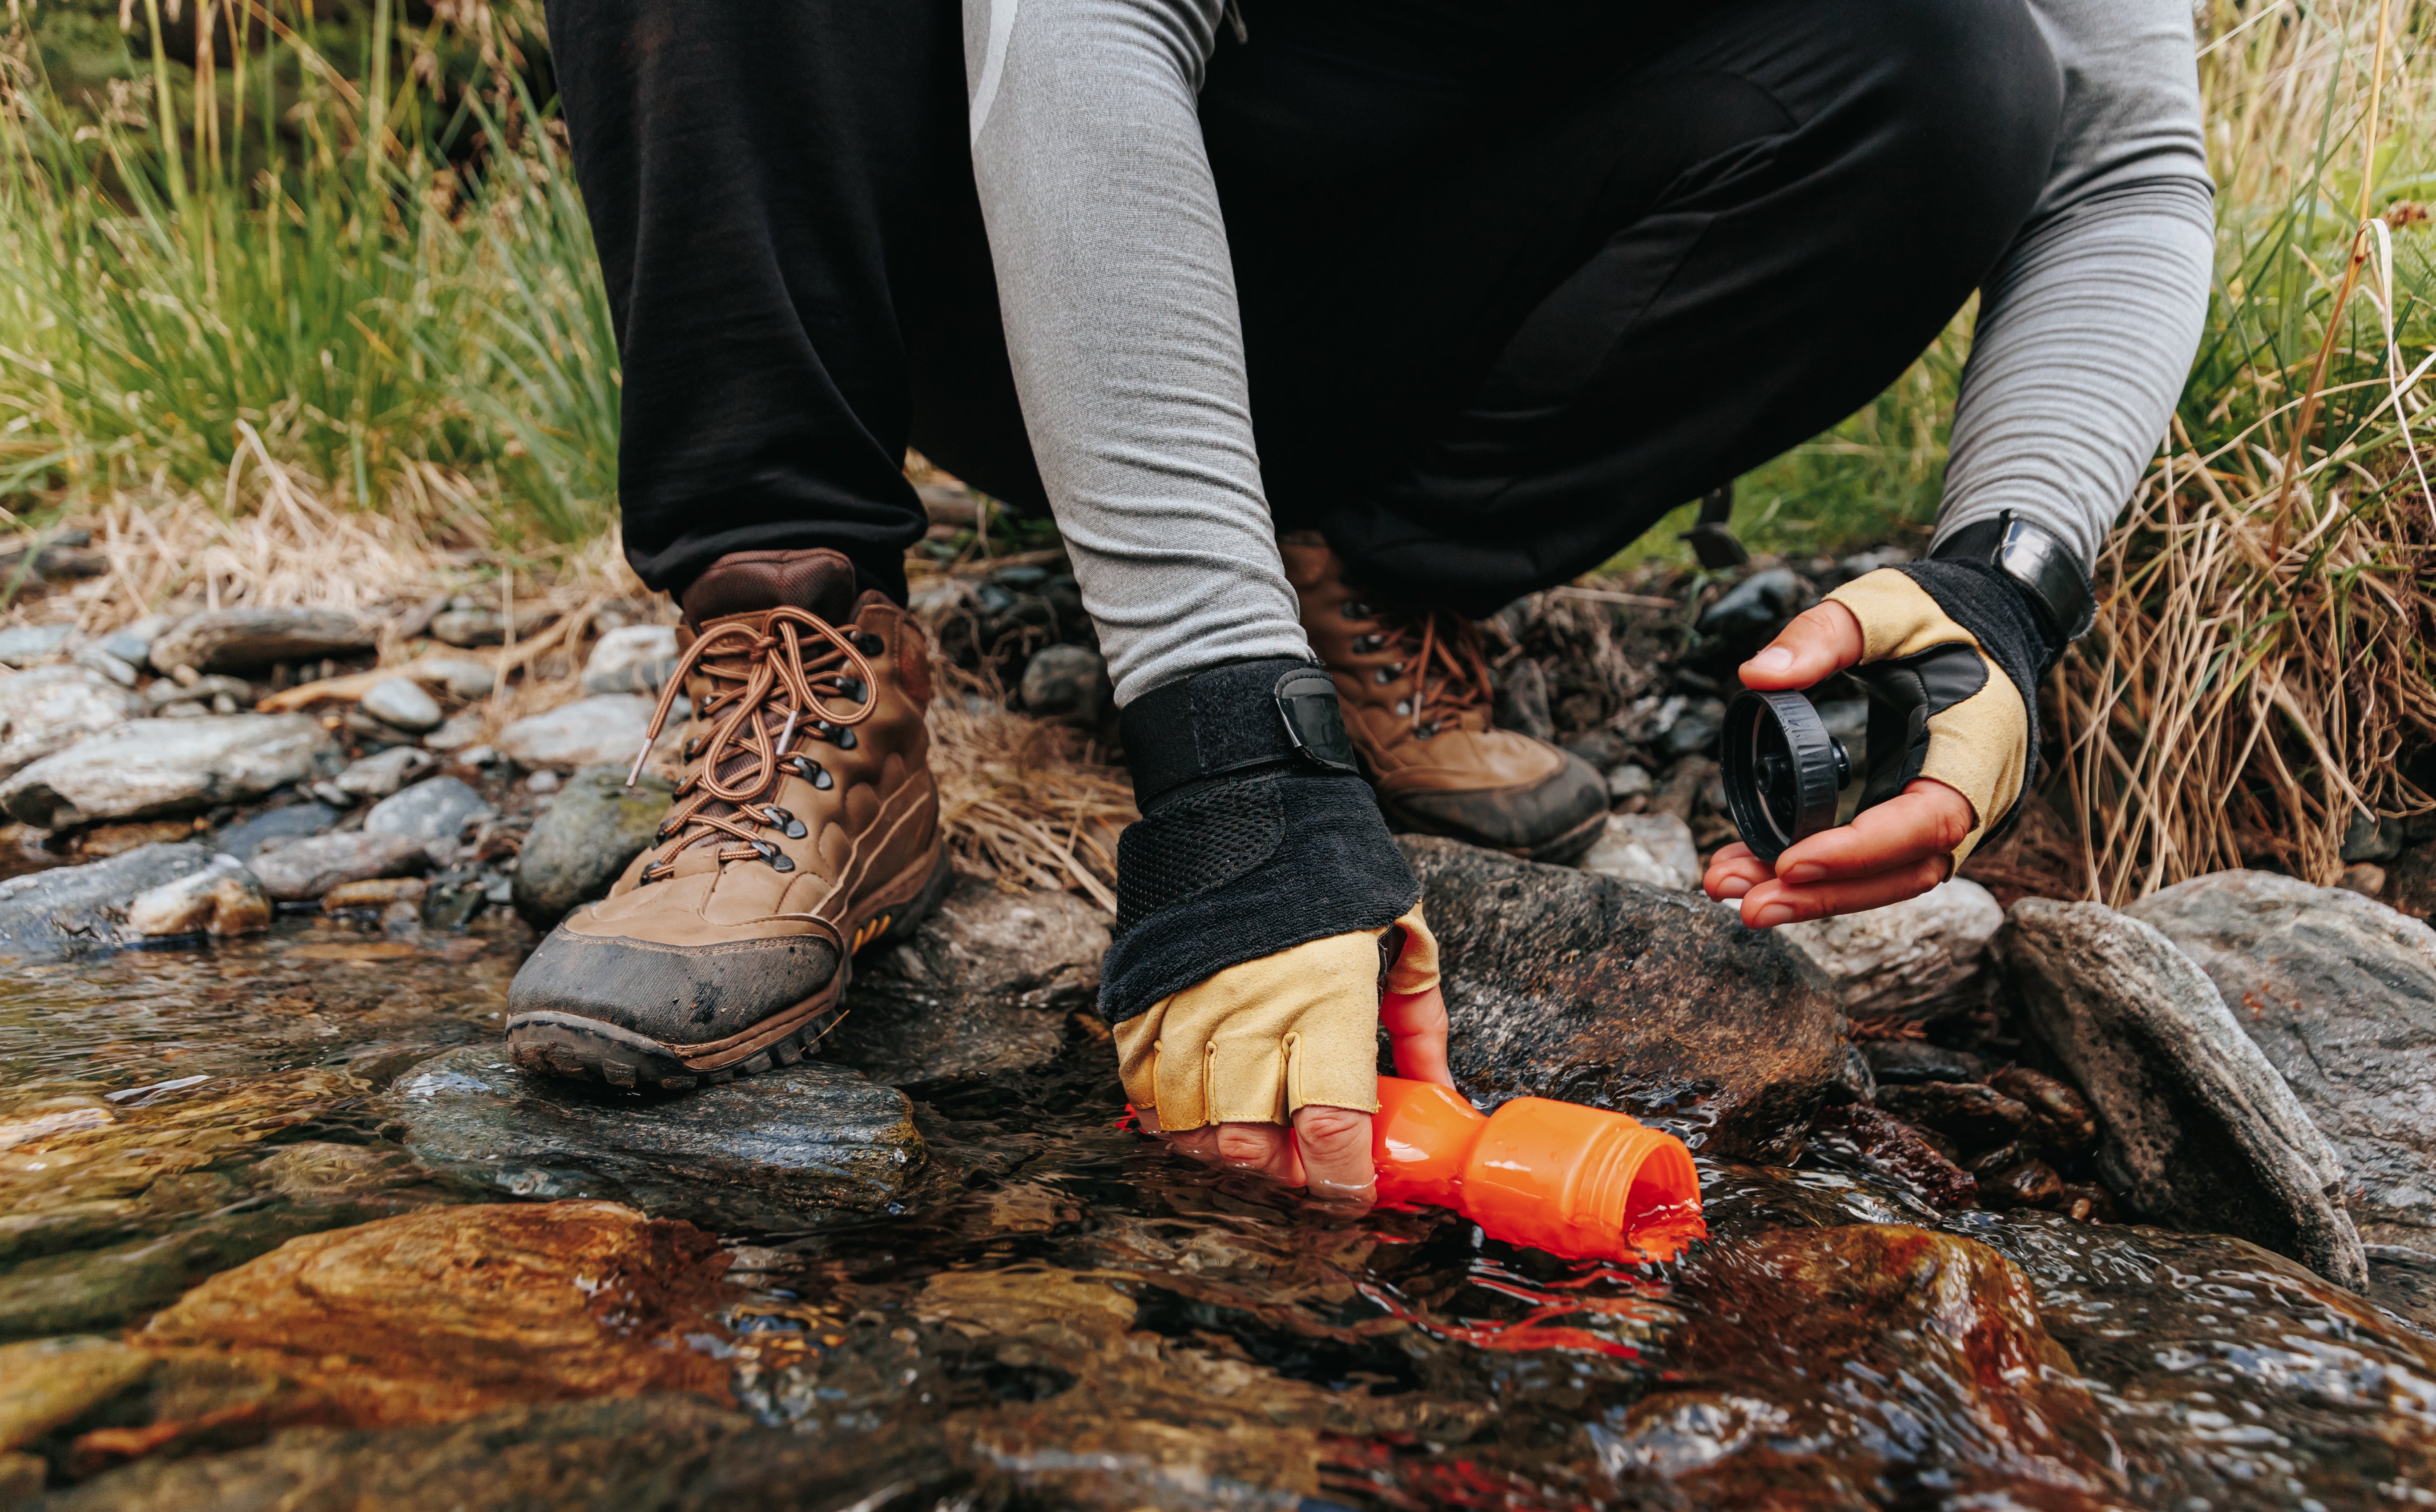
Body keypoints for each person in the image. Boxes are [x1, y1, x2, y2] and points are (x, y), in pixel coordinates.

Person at [505, 0, 2211, 1204]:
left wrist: (2009, 580)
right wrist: (1234, 760)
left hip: (1412, 286)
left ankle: (1371, 565)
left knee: (1962, 58)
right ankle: (794, 621)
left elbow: (2119, 170)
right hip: (984, 194)